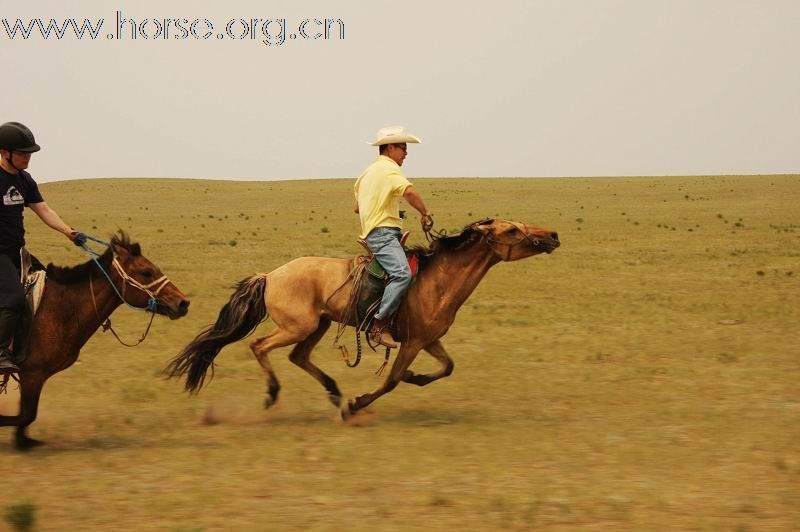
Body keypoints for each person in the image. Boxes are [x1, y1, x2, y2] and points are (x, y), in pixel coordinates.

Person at [0, 122, 84, 373]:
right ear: (5, 153)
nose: (28, 158)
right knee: (14, 299)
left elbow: (43, 210)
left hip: (18, 252)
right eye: (23, 153)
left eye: (30, 154)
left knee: (49, 289)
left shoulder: (25, 180)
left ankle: (34, 348)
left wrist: (68, 232)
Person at [354, 126, 433, 348]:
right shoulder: (389, 170)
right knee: (402, 275)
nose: (406, 153)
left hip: (376, 230)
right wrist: (425, 213)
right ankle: (378, 325)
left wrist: (383, 207)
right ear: (390, 148)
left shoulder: (365, 174)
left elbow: (357, 207)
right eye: (402, 148)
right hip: (383, 235)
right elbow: (409, 192)